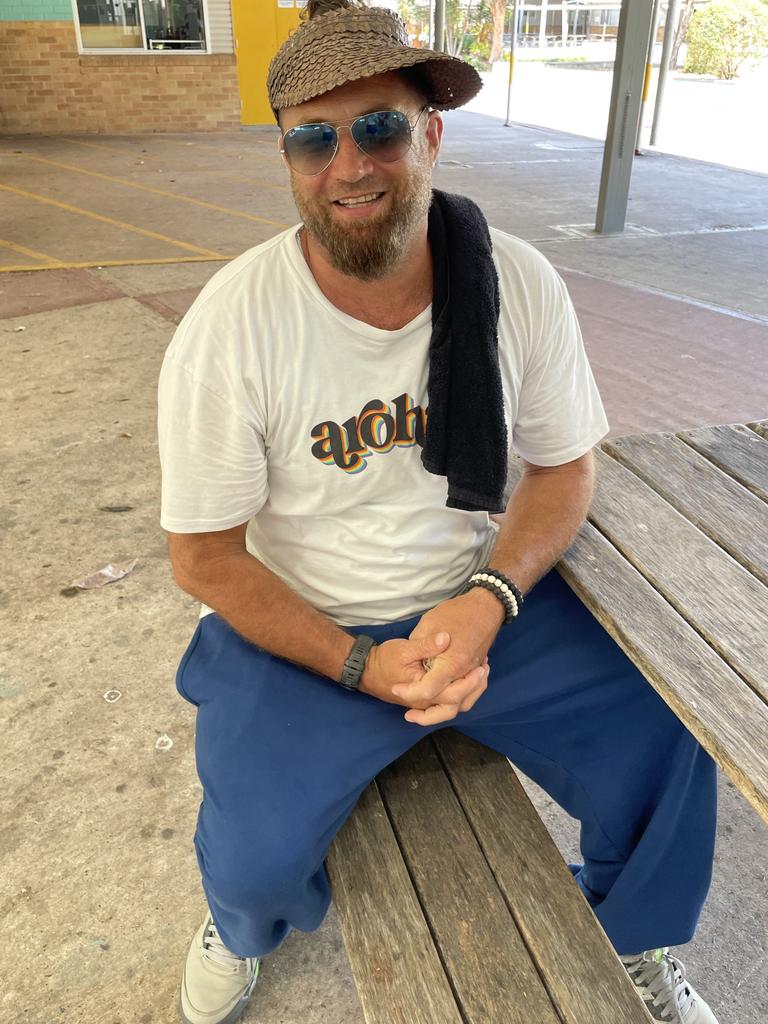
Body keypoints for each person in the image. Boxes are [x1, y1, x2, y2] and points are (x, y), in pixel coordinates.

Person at [157, 2, 719, 1022]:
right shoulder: (233, 324)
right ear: (287, 156)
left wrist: (493, 595)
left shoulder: (516, 282)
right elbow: (202, 556)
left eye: (377, 127)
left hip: (481, 605)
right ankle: (239, 931)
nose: (349, 165)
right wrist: (357, 661)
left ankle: (636, 940)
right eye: (313, 138)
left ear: (430, 135)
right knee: (251, 857)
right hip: (308, 625)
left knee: (671, 732)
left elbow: (562, 468)